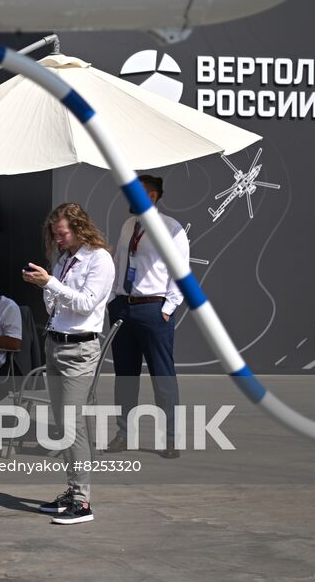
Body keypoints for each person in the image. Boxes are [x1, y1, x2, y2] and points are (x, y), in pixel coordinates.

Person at [21, 202, 116, 525]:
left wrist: (50, 284)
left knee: (73, 425)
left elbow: (86, 304)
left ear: (78, 228)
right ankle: (73, 489)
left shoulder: (99, 259)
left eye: (61, 234)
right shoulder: (64, 260)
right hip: (55, 343)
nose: (57, 239)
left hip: (79, 349)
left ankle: (82, 501)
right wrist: (46, 286)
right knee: (63, 424)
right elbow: (55, 306)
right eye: (54, 234)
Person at [106, 174, 186, 458]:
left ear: (152, 196)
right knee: (125, 376)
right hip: (124, 308)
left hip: (154, 309)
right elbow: (120, 263)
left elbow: (180, 273)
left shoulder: (172, 229)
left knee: (162, 376)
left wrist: (166, 309)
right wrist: (113, 299)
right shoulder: (129, 225)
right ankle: (123, 434)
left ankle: (171, 438)